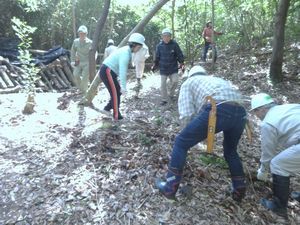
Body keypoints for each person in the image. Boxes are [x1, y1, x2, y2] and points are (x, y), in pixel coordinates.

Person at [155, 65, 247, 202]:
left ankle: (169, 188)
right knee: (231, 151)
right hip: (241, 113)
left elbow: (186, 114)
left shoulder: (188, 83)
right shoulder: (216, 80)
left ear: (190, 75)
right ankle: (239, 190)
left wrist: (187, 136)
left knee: (180, 143)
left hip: (218, 108)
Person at [250, 93, 300, 218]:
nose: (256, 115)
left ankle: (279, 207)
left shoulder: (268, 123)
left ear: (262, 109)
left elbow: (268, 151)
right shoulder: (290, 108)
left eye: (255, 112)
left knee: (278, 164)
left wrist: (263, 170)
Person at [99, 33, 145, 120]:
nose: (138, 50)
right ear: (133, 45)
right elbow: (122, 71)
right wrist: (123, 87)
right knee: (115, 93)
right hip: (107, 71)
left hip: (109, 71)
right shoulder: (125, 53)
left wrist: (122, 87)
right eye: (138, 47)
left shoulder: (127, 51)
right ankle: (116, 116)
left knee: (117, 92)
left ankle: (107, 108)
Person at [152, 28, 185, 105]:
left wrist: (182, 63)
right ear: (162, 37)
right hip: (163, 68)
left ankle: (171, 94)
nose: (166, 38)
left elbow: (179, 54)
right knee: (163, 84)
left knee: (175, 81)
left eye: (168, 36)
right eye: (164, 36)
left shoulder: (174, 44)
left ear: (170, 37)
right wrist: (154, 65)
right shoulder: (159, 46)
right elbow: (157, 57)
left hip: (173, 67)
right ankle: (164, 99)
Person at [70, 25, 93, 92]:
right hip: (78, 61)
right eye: (80, 33)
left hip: (87, 62)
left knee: (85, 76)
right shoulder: (75, 41)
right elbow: (73, 51)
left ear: (86, 34)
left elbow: (94, 52)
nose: (82, 35)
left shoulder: (90, 42)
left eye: (83, 33)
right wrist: (72, 60)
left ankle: (84, 91)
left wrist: (93, 59)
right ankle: (81, 88)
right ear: (78, 34)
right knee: (75, 74)